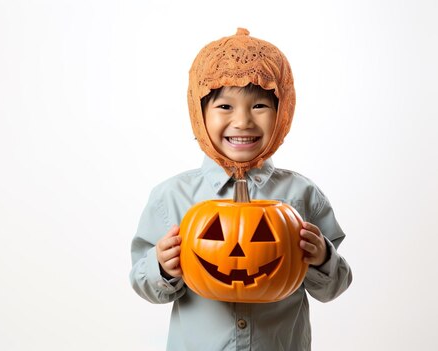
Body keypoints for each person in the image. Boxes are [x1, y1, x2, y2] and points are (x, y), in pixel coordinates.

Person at [129, 28, 352, 350]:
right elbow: (143, 284)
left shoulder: (301, 194)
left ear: (283, 112)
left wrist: (321, 258)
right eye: (224, 107)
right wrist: (162, 267)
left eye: (260, 105)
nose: (243, 121)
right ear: (199, 113)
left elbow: (333, 288)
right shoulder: (172, 196)